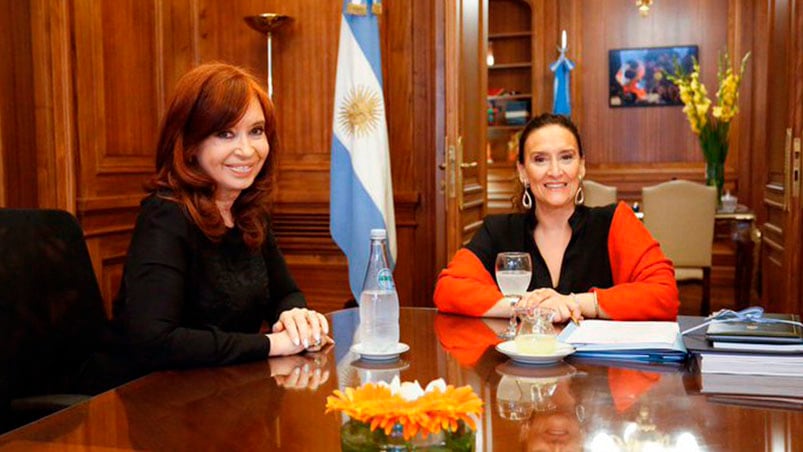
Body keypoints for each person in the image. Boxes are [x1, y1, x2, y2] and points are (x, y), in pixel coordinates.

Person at [113, 62, 331, 372]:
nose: (246, 150)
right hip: (159, 399)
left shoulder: (247, 212)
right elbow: (154, 341)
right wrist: (273, 344)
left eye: (256, 131)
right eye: (225, 134)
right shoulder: (165, 216)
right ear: (190, 145)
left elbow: (285, 292)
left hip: (225, 388)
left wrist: (294, 315)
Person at [434, 113, 678, 322]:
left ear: (581, 166)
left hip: (601, 374)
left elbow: (664, 295)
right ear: (522, 172)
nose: (555, 171)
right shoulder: (498, 230)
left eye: (566, 157)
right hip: (520, 373)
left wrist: (575, 303)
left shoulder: (615, 222)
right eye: (540, 159)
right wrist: (523, 307)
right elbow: (448, 289)